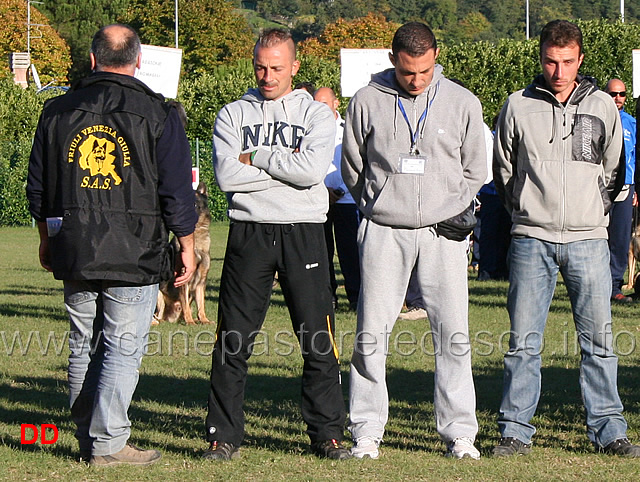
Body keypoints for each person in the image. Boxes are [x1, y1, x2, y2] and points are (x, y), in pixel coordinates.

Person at [26, 24, 197, 466]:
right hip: (135, 250)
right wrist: (187, 244)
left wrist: (47, 240)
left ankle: (89, 438)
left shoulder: (56, 110)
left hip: (75, 244)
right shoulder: (157, 112)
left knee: (84, 344)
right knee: (122, 347)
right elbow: (177, 191)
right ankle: (108, 443)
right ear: (138, 60)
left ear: (91, 56)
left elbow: (39, 188)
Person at [493, 20, 640, 457]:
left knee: (599, 342)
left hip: (589, 239)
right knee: (523, 342)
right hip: (530, 238)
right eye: (551, 62)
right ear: (540, 58)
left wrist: (592, 209)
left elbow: (614, 172)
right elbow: (504, 170)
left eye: (568, 62)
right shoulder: (517, 105)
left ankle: (609, 429)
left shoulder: (603, 106)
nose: (559, 71)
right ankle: (515, 431)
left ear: (580, 59)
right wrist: (524, 208)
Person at [203, 28, 350, 461]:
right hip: (250, 231)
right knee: (233, 339)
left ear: (295, 68)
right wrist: (285, 163)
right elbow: (227, 177)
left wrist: (259, 156)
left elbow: (309, 172)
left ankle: (328, 434)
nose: (267, 76)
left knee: (318, 339)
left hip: (304, 230)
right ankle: (222, 435)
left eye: (277, 69)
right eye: (260, 67)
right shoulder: (233, 114)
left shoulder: (318, 115)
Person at [342, 22, 487, 460]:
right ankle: (366, 430)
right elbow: (353, 166)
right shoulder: (366, 101)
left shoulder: (462, 101)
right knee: (372, 332)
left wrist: (448, 207)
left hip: (443, 233)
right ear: (393, 60)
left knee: (453, 333)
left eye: (425, 71)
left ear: (436, 57)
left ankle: (460, 432)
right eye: (408, 72)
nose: (418, 80)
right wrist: (380, 204)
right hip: (384, 229)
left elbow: (476, 169)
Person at [314, 86, 361, 311]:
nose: (319, 107)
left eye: (324, 102)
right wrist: (322, 192)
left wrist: (340, 191)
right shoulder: (310, 129)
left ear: (335, 104)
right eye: (316, 102)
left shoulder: (349, 129)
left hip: (346, 200)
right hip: (318, 201)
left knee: (350, 252)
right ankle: (327, 297)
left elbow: (354, 163)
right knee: (322, 252)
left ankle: (355, 297)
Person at [605, 78, 636, 303]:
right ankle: (594, 285)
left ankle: (615, 285)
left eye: (622, 94)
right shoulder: (597, 118)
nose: (618, 98)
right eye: (614, 93)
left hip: (626, 187)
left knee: (620, 239)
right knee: (597, 237)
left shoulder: (631, 123)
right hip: (600, 186)